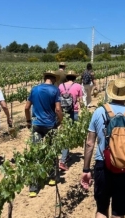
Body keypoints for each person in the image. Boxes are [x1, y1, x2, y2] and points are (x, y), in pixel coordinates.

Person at [80, 78, 125, 218]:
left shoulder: (99, 112)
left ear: (111, 93)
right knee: (118, 211)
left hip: (102, 164)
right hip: (124, 166)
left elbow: (90, 143)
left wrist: (86, 169)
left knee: (102, 209)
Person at [24, 70, 63, 198]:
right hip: (50, 125)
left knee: (35, 154)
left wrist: (29, 121)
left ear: (45, 77)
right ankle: (52, 178)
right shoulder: (55, 90)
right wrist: (61, 121)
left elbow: (26, 107)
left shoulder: (35, 89)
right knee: (52, 150)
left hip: (36, 125)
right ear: (54, 79)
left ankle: (33, 188)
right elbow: (58, 109)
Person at [58, 70, 83, 171]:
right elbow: (80, 100)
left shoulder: (60, 86)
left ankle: (66, 155)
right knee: (68, 136)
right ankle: (63, 161)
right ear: (74, 78)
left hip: (62, 112)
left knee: (65, 133)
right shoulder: (78, 86)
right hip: (73, 112)